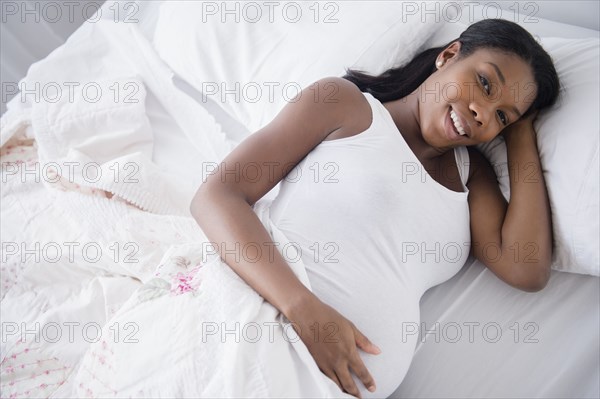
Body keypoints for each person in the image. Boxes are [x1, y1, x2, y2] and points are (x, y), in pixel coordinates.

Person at [190, 18, 560, 398]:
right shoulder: (343, 105)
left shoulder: (472, 178)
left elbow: (526, 267)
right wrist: (303, 310)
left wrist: (520, 133)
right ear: (449, 55)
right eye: (484, 84)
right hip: (260, 330)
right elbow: (218, 195)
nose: (483, 111)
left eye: (500, 115)